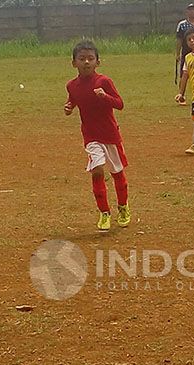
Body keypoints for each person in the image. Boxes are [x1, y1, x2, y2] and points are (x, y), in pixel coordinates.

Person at [64, 40, 131, 232]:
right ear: (74, 63)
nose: (86, 62)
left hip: (110, 135)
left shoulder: (104, 82)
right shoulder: (72, 85)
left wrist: (105, 97)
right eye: (82, 59)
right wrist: (69, 107)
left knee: (117, 173)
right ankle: (104, 212)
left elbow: (119, 104)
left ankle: (123, 207)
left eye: (90, 59)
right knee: (97, 170)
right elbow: (73, 100)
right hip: (91, 137)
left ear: (97, 62)